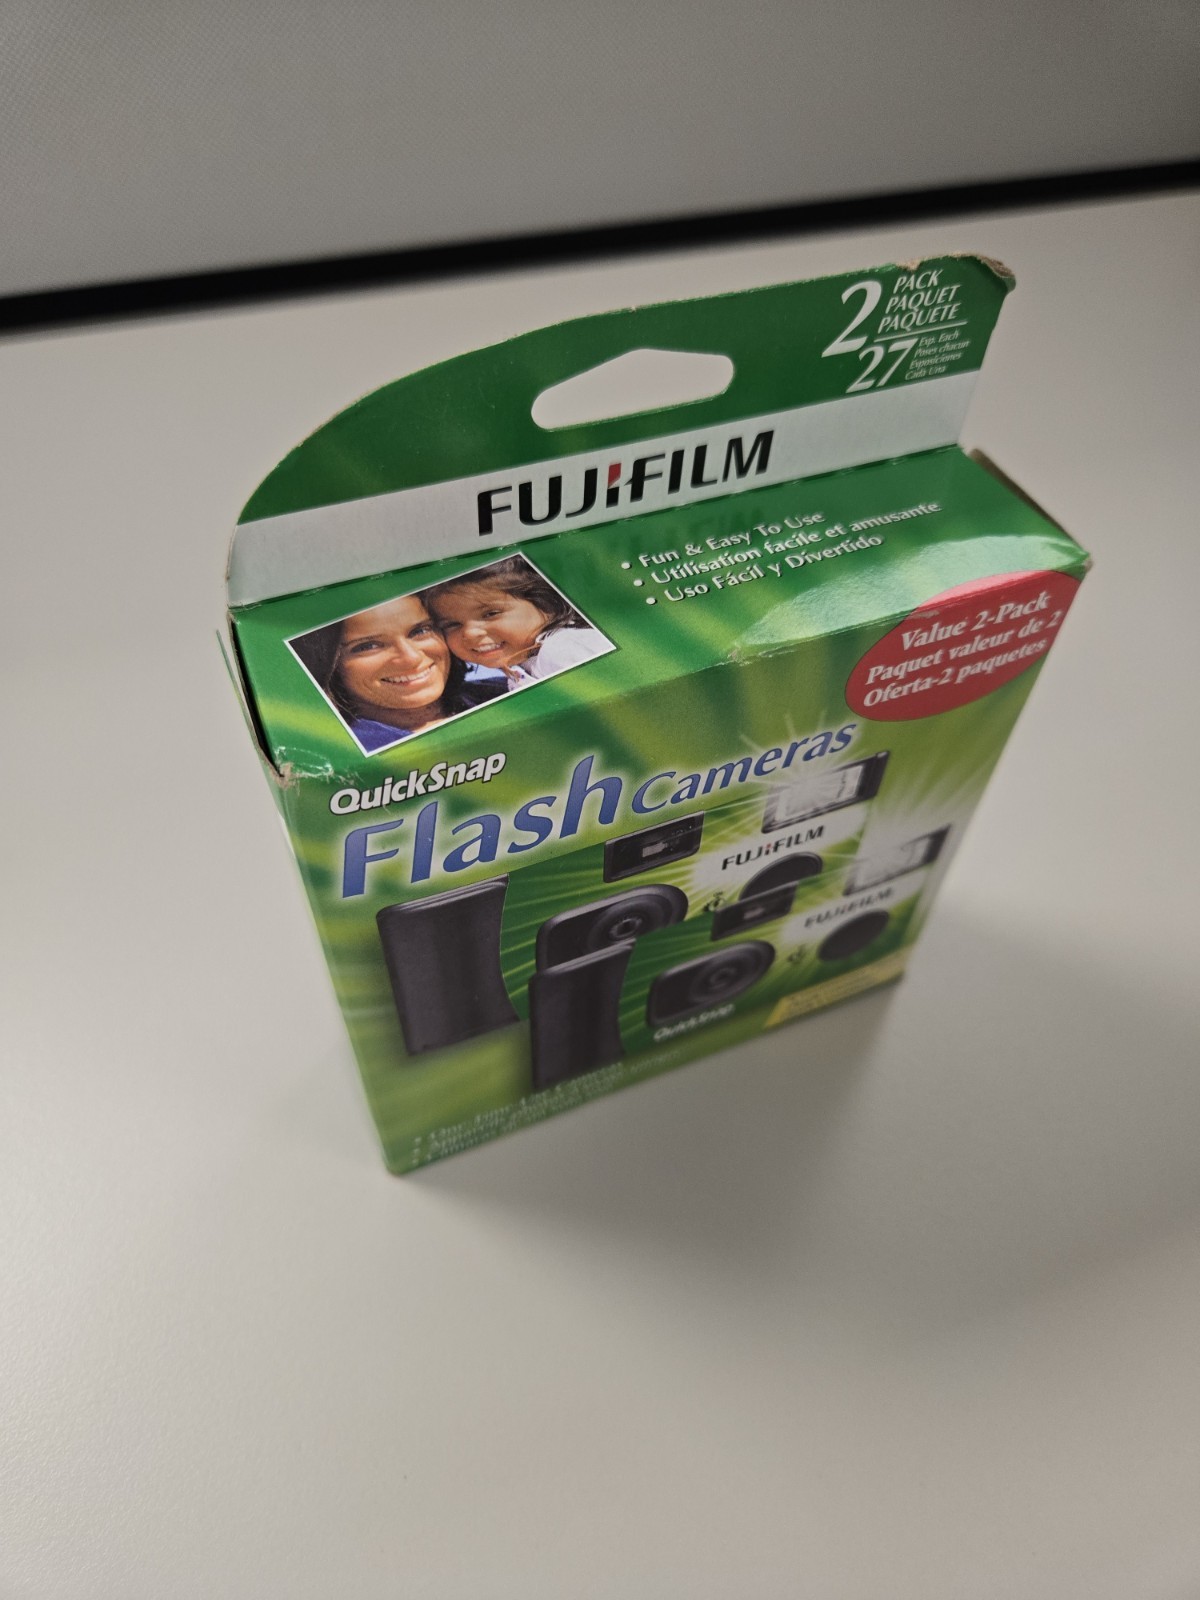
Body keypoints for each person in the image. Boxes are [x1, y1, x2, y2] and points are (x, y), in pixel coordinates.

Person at [290, 593, 505, 752]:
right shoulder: (345, 751)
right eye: (368, 646)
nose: (411, 658)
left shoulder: (503, 689)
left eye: (420, 631)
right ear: (329, 664)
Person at [423, 556, 611, 686]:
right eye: (452, 625)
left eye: (491, 613)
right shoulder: (524, 666)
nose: (470, 633)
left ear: (545, 604)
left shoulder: (561, 650)